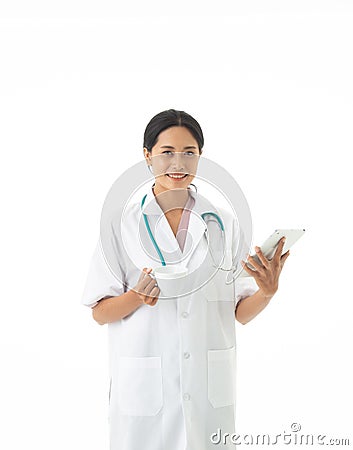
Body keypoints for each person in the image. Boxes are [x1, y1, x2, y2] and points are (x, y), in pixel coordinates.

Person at [81, 109, 290, 450]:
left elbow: (239, 312)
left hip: (207, 393)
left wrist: (267, 292)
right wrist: (135, 297)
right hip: (145, 395)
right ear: (147, 156)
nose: (178, 162)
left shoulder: (223, 224)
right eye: (166, 153)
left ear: (200, 157)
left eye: (189, 153)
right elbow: (99, 311)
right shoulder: (120, 225)